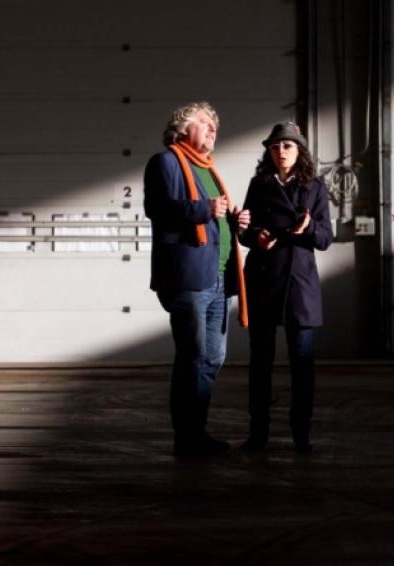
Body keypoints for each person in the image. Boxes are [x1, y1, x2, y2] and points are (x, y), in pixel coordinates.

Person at [143, 101, 250, 457]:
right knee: (191, 357)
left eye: (215, 123)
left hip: (218, 279)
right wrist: (206, 209)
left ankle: (196, 433)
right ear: (183, 127)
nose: (213, 127)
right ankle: (185, 437)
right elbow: (157, 208)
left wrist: (233, 221)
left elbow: (214, 221)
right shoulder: (167, 162)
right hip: (189, 279)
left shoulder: (208, 169)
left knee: (212, 359)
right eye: (205, 122)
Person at [239, 122, 332, 453]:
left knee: (302, 363)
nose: (281, 151)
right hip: (264, 278)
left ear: (299, 151)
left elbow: (325, 239)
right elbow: (244, 230)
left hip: (300, 284)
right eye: (275, 146)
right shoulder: (259, 184)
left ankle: (301, 436)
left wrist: (306, 230)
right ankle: (258, 434)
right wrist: (255, 236)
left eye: (288, 146)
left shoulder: (315, 187)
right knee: (260, 362)